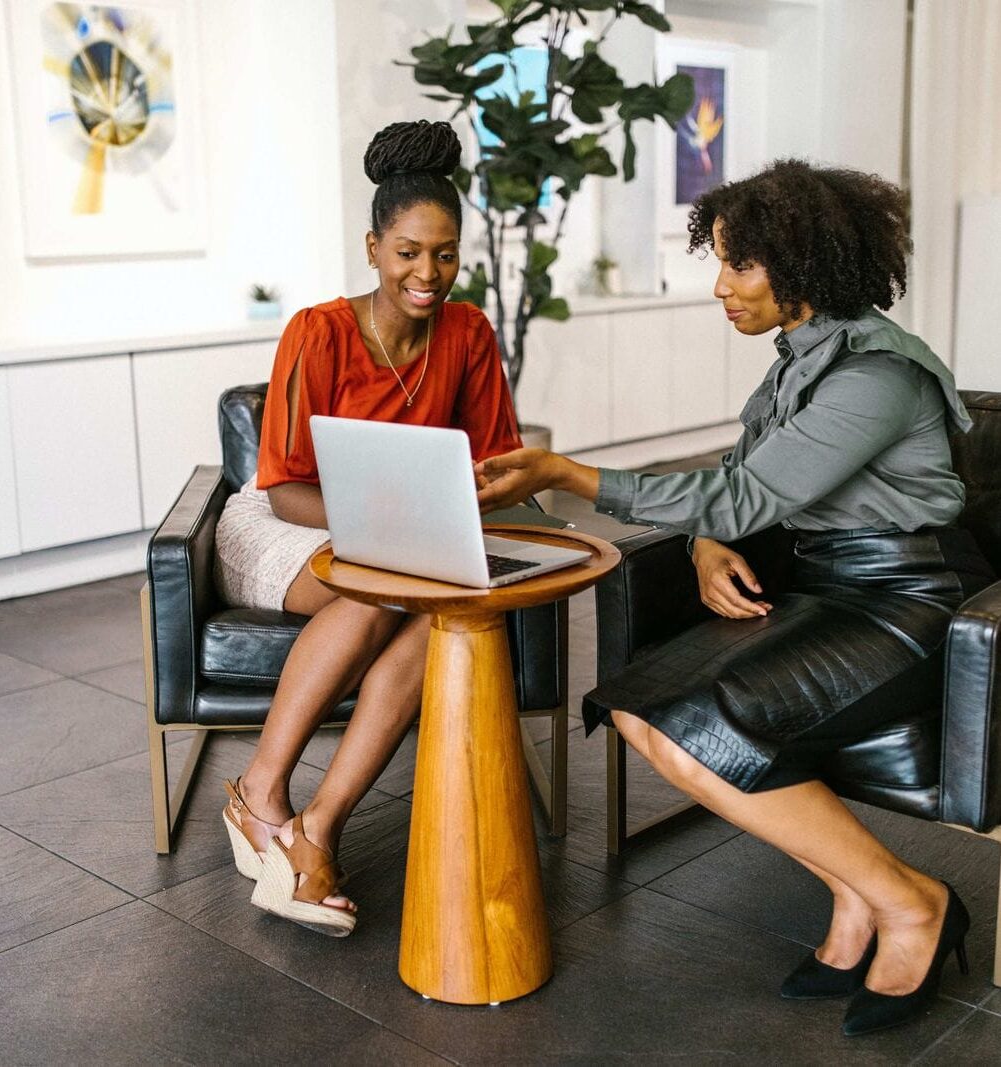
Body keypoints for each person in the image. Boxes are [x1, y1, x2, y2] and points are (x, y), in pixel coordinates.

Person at [474, 159, 994, 1035]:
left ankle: (913, 903)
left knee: (703, 729)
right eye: (717, 261)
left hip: (907, 601)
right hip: (825, 584)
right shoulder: (801, 356)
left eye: (738, 265)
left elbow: (746, 492)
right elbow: (739, 478)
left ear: (803, 265)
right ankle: (855, 892)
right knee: (637, 709)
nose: (719, 287)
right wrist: (710, 538)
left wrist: (571, 473)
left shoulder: (873, 376)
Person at [215, 119, 520, 937]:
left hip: (388, 538)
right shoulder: (317, 331)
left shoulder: (468, 335)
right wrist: (393, 533)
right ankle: (260, 794)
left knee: (438, 616)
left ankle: (316, 825)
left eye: (445, 253)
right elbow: (280, 485)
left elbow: (495, 462)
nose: (429, 272)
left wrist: (469, 500)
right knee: (380, 589)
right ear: (373, 247)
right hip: (281, 522)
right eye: (409, 251)